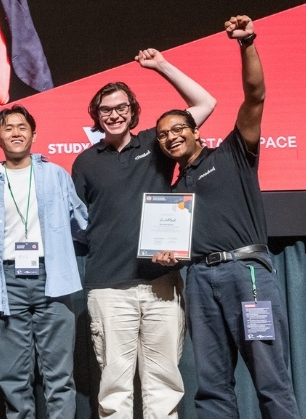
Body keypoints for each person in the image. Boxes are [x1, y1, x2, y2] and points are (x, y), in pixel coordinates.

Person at [151, 15, 300, 418]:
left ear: (196, 130)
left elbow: (256, 96)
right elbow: (177, 243)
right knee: (212, 387)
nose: (171, 136)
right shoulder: (174, 191)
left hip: (246, 274)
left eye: (178, 128)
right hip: (199, 280)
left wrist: (247, 43)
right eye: (162, 134)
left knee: (270, 378)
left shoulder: (234, 153)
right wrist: (170, 256)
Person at [71, 49, 217, 417]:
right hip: (108, 287)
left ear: (133, 112)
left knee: (164, 386)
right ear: (96, 116)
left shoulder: (156, 143)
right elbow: (79, 221)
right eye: (106, 110)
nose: (114, 114)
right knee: (114, 388)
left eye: (121, 107)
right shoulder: (85, 162)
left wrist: (162, 66)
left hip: (160, 284)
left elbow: (205, 102)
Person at [0, 105, 88, 417]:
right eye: (8, 128)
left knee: (59, 375)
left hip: (52, 278)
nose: (16, 133)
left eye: (22, 127)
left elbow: (82, 222)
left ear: (33, 134)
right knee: (13, 377)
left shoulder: (56, 174)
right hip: (6, 281)